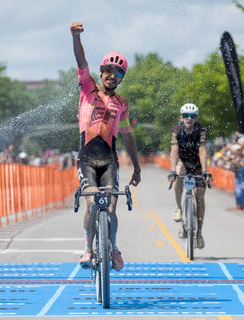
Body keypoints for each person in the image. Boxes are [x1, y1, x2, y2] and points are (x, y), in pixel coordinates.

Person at [70, 21, 141, 272]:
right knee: (91, 203)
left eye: (118, 73)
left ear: (122, 78)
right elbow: (81, 61)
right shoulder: (88, 89)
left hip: (109, 160)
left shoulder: (122, 102)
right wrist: (76, 37)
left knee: (110, 208)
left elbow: (128, 137)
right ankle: (89, 248)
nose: (113, 75)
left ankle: (113, 248)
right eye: (108, 70)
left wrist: (137, 167)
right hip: (87, 159)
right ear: (101, 72)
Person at [167, 103, 212, 249]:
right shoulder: (176, 130)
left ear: (196, 118)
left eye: (192, 116)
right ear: (181, 117)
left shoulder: (201, 129)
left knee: (200, 197)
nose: (189, 118)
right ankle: (179, 207)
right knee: (178, 174)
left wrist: (205, 170)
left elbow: (202, 149)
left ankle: (199, 233)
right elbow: (174, 151)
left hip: (197, 164)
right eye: (185, 116)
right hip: (182, 161)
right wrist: (173, 170)